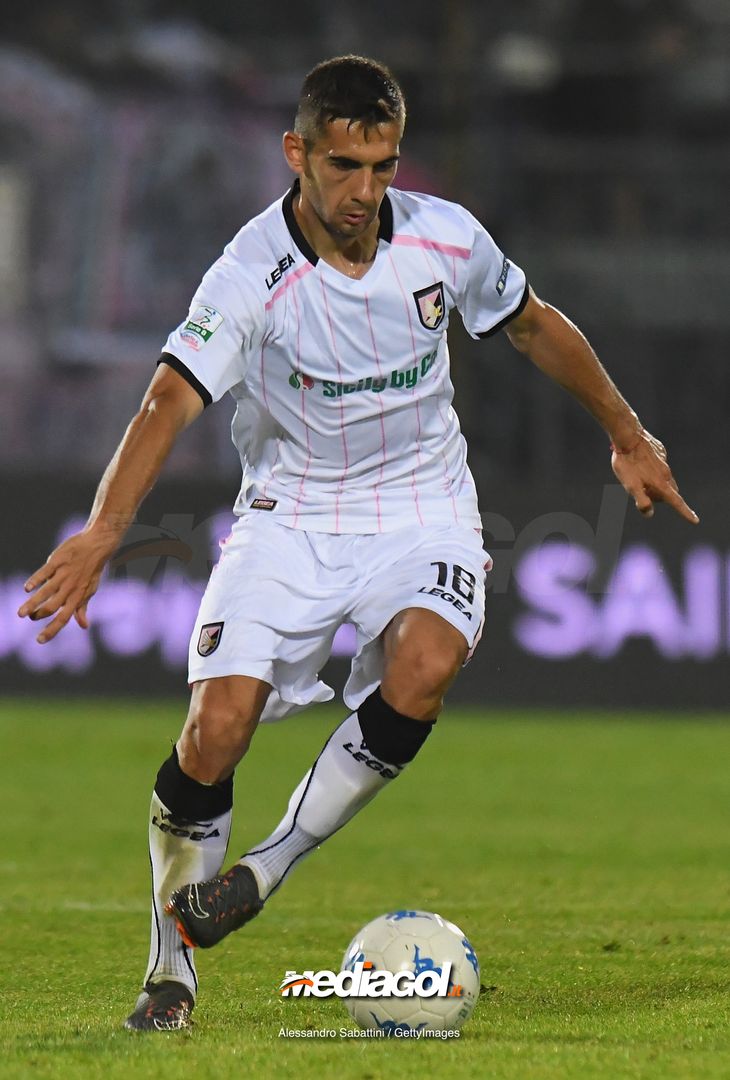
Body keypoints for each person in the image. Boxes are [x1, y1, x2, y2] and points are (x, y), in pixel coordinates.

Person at [17, 55, 697, 1033]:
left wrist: (627, 433)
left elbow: (534, 325)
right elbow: (169, 398)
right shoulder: (249, 273)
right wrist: (101, 534)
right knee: (216, 733)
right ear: (297, 153)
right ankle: (170, 975)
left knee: (425, 665)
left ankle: (265, 867)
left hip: (422, 503)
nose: (366, 191)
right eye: (345, 166)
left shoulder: (444, 241)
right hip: (290, 513)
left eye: (383, 165)